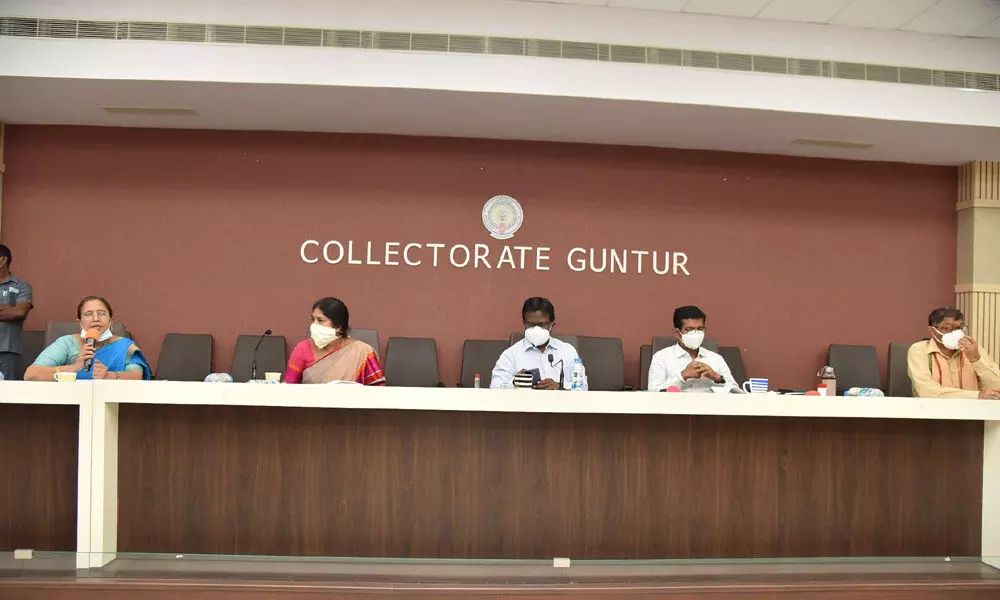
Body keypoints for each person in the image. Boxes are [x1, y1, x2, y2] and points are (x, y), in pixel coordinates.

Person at [25, 296, 151, 380]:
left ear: (110, 321)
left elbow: (136, 376)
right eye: (88, 314)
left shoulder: (125, 346)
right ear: (80, 322)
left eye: (101, 313)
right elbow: (31, 375)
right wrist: (73, 368)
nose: (96, 319)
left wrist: (109, 376)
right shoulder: (67, 343)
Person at [491, 297, 586, 390]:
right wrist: (515, 383)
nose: (536, 329)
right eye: (530, 325)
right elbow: (494, 388)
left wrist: (560, 386)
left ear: (552, 325)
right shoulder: (511, 355)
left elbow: (583, 387)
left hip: (560, 405)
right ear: (524, 323)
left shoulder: (567, 351)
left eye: (542, 325)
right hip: (525, 405)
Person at [284, 297, 385, 385]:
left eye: (320, 320)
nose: (314, 325)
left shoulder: (363, 351)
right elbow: (288, 387)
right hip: (312, 406)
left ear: (338, 326)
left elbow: (378, 392)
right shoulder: (303, 348)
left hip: (351, 406)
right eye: (312, 319)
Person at [907, 307, 1000, 399]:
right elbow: (927, 391)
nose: (957, 333)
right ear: (932, 331)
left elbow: (997, 385)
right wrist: (977, 395)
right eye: (949, 328)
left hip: (972, 411)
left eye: (960, 328)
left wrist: (976, 359)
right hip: (933, 410)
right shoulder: (919, 350)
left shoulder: (973, 349)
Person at [648, 305, 737, 393]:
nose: (696, 333)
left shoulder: (716, 358)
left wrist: (717, 377)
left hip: (709, 406)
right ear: (677, 333)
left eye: (700, 329)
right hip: (675, 406)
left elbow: (736, 391)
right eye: (689, 329)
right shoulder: (661, 357)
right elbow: (653, 392)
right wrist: (682, 377)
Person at [0, 244, 33, 380]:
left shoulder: (21, 285)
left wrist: (14, 311)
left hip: (7, 350)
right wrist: (8, 309)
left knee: (6, 394)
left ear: (3, 260)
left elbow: (19, 312)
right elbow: (13, 311)